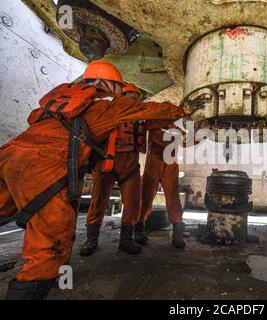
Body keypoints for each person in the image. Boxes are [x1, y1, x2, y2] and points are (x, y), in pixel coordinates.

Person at [0, 60, 183, 299]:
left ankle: (122, 239)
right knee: (50, 245)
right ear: (107, 84)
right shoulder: (109, 106)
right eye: (119, 87)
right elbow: (158, 111)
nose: (123, 92)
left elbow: (33, 119)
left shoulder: (66, 101)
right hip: (43, 165)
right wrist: (181, 109)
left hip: (8, 154)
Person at [79, 83, 147, 256]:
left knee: (133, 202)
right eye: (128, 96)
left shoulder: (144, 115)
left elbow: (160, 119)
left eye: (135, 97)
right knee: (98, 202)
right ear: (120, 97)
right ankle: (91, 240)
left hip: (130, 166)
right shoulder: (107, 111)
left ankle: (126, 240)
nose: (131, 100)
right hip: (105, 164)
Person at [135, 124, 187, 249]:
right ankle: (138, 231)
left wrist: (201, 137)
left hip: (170, 163)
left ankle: (177, 234)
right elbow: (166, 140)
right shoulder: (154, 125)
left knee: (173, 198)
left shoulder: (174, 127)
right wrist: (181, 137)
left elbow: (186, 142)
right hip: (154, 162)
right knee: (146, 197)